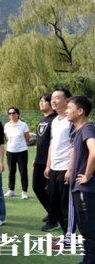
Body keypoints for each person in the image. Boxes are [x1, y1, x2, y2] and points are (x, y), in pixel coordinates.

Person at [66, 96, 94, 264]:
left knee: (89, 230)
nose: (67, 110)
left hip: (86, 189)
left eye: (69, 107)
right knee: (86, 230)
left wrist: (88, 175)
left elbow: (94, 151)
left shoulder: (87, 128)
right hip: (81, 188)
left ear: (80, 111)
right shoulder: (79, 131)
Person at [45, 88, 74, 236]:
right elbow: (52, 143)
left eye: (57, 98)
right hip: (54, 167)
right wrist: (48, 165)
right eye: (52, 98)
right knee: (53, 202)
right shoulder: (55, 121)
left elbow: (74, 146)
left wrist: (70, 169)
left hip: (65, 168)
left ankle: (69, 235)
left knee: (65, 205)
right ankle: (65, 232)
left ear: (67, 100)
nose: (53, 101)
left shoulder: (71, 121)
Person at [34, 93, 59, 232]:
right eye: (40, 101)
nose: (41, 103)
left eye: (44, 101)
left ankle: (53, 219)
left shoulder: (55, 120)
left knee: (50, 191)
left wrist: (49, 163)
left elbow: (52, 143)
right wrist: (36, 158)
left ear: (51, 104)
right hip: (39, 159)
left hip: (50, 161)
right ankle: (52, 211)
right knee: (37, 187)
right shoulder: (43, 119)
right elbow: (41, 142)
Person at [4, 107, 31, 199]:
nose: (11, 115)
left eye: (13, 113)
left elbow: (27, 138)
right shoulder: (6, 125)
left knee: (23, 171)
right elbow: (7, 138)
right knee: (11, 171)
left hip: (22, 151)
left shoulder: (23, 125)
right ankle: (11, 190)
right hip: (10, 151)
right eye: (9, 113)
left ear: (18, 114)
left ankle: (24, 191)